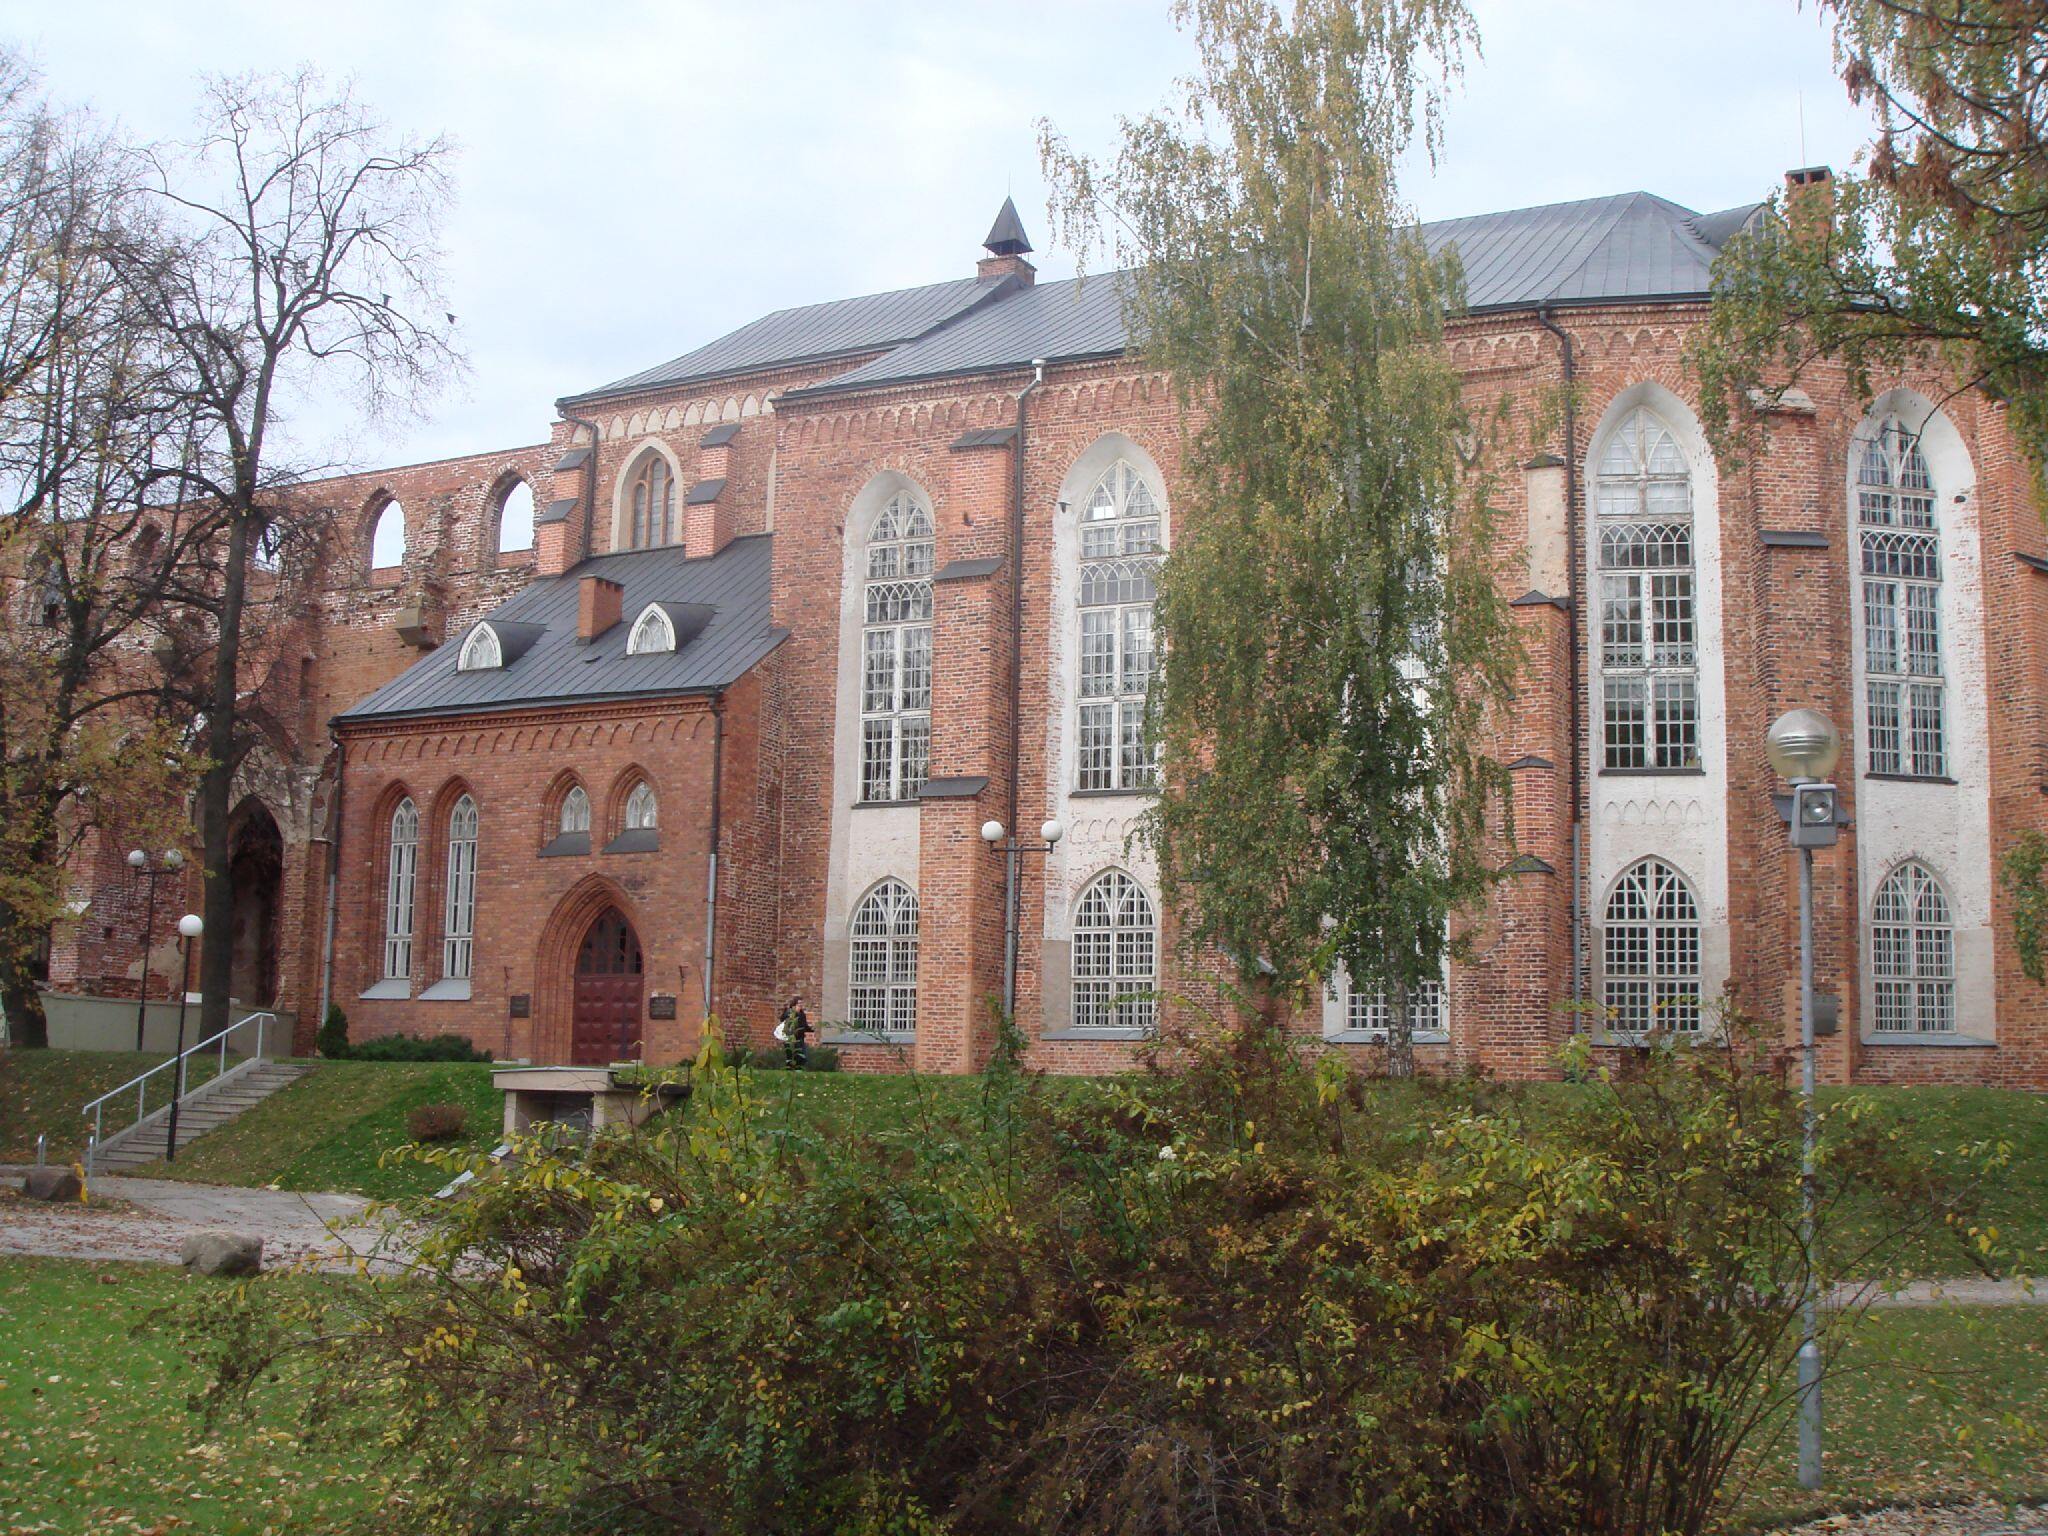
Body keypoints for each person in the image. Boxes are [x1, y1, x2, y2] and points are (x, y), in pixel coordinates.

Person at [774, 995, 814, 1069]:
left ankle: (798, 1071)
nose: (801, 1005)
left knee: (803, 1057)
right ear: (795, 1004)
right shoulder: (789, 1012)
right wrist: (791, 1012)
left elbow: (804, 1026)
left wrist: (812, 1029)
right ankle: (790, 1070)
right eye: (799, 1004)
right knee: (791, 1056)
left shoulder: (802, 1014)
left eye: (802, 1004)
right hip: (790, 1038)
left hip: (800, 1038)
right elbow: (783, 1019)